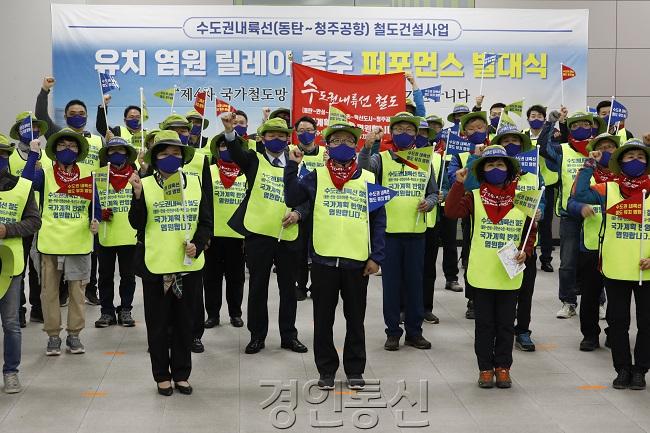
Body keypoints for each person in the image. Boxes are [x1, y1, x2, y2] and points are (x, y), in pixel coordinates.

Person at [284, 119, 385, 390]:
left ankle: (355, 369)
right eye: (337, 140)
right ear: (327, 145)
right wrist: (292, 166)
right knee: (323, 320)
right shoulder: (316, 177)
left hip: (357, 262)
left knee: (355, 320)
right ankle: (326, 370)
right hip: (323, 260)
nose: (343, 145)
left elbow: (378, 220)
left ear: (356, 146)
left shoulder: (368, 178)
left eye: (349, 141)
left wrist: (376, 257)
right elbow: (292, 198)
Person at [128, 130, 212, 396]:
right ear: (154, 157)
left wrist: (197, 244)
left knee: (185, 323)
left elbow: (207, 222)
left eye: (176, 153)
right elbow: (137, 224)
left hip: (188, 265)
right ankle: (161, 376)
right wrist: (138, 196)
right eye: (164, 153)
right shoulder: (145, 183)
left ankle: (181, 374)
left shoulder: (196, 182)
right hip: (157, 266)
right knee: (158, 324)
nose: (170, 158)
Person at [445, 145, 536, 389]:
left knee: (506, 325)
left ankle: (503, 367)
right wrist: (458, 184)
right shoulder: (473, 197)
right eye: (490, 165)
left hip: (509, 273)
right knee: (484, 326)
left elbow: (530, 232)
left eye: (500, 164)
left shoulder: (523, 198)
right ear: (482, 171)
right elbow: (451, 211)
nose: (495, 169)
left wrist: (525, 253)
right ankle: (485, 368)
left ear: (508, 169)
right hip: (482, 272)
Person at [221, 114, 309, 355]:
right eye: (272, 135)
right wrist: (230, 132)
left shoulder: (298, 162)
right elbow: (236, 153)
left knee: (288, 288)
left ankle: (289, 335)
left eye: (282, 135)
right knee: (258, 286)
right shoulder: (254, 160)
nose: (278, 139)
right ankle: (257, 335)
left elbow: (307, 198)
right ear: (263, 138)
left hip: (288, 233)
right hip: (259, 234)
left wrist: (299, 214)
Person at [573, 138, 650, 390]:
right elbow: (581, 194)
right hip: (615, 268)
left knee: (647, 323)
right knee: (618, 322)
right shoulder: (610, 188)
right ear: (619, 162)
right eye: (629, 157)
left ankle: (640, 369)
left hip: (646, 269)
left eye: (640, 157)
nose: (635, 161)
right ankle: (623, 368)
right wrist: (588, 164)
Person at [359, 112, 437, 351]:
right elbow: (363, 172)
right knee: (391, 286)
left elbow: (433, 192)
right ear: (392, 133)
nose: (405, 134)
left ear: (416, 134)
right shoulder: (381, 159)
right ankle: (393, 331)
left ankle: (414, 332)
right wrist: (366, 149)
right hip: (389, 235)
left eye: (410, 130)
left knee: (415, 284)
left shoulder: (424, 160)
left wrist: (430, 202)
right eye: (400, 129)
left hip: (416, 233)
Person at [463, 125, 545, 352]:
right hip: (487, 260)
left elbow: (540, 201)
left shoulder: (533, 172)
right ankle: (486, 367)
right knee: (487, 321)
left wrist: (540, 212)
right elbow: (462, 196)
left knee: (521, 299)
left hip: (519, 254)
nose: (511, 144)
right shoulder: (479, 191)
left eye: (515, 141)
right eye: (505, 140)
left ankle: (522, 333)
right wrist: (474, 160)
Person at [22, 128, 100, 356]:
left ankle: (74, 336)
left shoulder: (88, 174)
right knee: (49, 292)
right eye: (62, 145)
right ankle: (53, 336)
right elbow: (25, 184)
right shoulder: (45, 173)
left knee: (77, 292)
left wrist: (95, 219)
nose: (68, 149)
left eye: (72, 146)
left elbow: (94, 205)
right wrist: (33, 155)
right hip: (50, 242)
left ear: (79, 151)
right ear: (55, 150)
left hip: (79, 243)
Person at [36, 76, 103, 306]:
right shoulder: (58, 133)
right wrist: (44, 91)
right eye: (73, 112)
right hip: (60, 195)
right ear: (65, 116)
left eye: (81, 112)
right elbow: (42, 116)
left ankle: (89, 289)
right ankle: (63, 291)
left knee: (86, 247)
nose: (77, 116)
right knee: (59, 251)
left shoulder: (96, 140)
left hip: (86, 195)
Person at [159, 114, 212, 352]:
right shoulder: (153, 164)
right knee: (164, 293)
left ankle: (194, 334)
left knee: (192, 291)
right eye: (173, 129)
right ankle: (167, 333)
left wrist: (203, 240)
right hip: (163, 235)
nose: (179, 134)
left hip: (191, 234)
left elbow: (207, 202)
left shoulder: (199, 159)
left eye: (183, 130)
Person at [539, 110, 598, 319]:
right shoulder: (562, 150)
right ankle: (568, 302)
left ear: (592, 127)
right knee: (567, 262)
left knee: (595, 261)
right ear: (569, 129)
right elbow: (543, 148)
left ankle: (597, 301)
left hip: (597, 215)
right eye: (575, 125)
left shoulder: (600, 149)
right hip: (569, 215)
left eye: (585, 124)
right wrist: (550, 122)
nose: (581, 128)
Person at [566, 133, 618, 351]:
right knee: (590, 293)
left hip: (619, 246)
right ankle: (590, 335)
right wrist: (581, 208)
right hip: (591, 244)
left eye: (611, 147)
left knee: (617, 296)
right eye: (602, 147)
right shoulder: (589, 174)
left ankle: (615, 332)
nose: (606, 151)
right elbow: (572, 200)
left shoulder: (625, 178)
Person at [0, 134, 42, 393]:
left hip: (10, 265)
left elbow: (34, 222)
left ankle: (11, 371)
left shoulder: (22, 187)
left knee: (11, 323)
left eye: (2, 153)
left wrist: (8, 230)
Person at [447, 111, 491, 319]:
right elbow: (452, 177)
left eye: (479, 127)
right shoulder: (459, 153)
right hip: (472, 210)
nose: (476, 131)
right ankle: (472, 299)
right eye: (471, 128)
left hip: (501, 207)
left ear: (487, 129)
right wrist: (474, 157)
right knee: (470, 254)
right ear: (464, 132)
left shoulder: (498, 148)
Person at [202, 131, 247, 329]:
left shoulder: (246, 173)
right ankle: (212, 314)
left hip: (238, 236)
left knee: (236, 278)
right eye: (223, 146)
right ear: (217, 150)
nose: (226, 149)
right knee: (211, 278)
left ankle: (235, 314)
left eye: (230, 146)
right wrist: (205, 232)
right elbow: (203, 203)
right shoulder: (210, 171)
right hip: (213, 236)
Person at [8, 112, 49, 326]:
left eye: (36, 128)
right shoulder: (10, 157)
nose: (33, 132)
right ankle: (19, 309)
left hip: (43, 219)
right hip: (18, 220)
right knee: (19, 267)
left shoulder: (47, 156)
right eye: (28, 128)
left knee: (39, 268)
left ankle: (38, 307)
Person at [93, 137, 138, 328]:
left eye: (121, 150)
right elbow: (91, 202)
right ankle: (106, 311)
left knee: (128, 276)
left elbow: (141, 202)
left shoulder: (136, 176)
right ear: (106, 154)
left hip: (130, 235)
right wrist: (98, 213)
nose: (117, 154)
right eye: (112, 151)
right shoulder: (99, 176)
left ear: (127, 155)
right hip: (105, 235)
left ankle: (126, 309)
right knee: (105, 275)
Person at [291, 116, 326, 301]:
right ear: (296, 133)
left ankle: (317, 285)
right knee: (300, 251)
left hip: (320, 209)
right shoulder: (291, 152)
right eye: (301, 130)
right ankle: (300, 285)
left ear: (316, 131)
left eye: (309, 130)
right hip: (298, 209)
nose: (305, 134)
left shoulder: (325, 153)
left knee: (318, 250)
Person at [523, 104, 557, 272]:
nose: (536, 119)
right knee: (527, 221)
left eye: (539, 116)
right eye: (533, 116)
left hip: (547, 184)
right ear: (528, 118)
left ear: (544, 119)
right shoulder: (522, 136)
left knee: (545, 223)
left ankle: (546, 258)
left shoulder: (551, 136)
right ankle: (527, 253)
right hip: (527, 183)